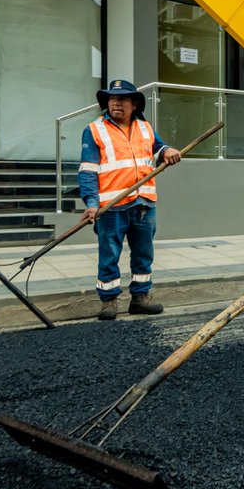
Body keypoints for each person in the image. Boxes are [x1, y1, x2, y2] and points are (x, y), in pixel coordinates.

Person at [79, 80, 181, 320]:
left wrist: (168, 151)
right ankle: (109, 300)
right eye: (112, 99)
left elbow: (159, 148)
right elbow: (87, 170)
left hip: (144, 203)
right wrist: (92, 203)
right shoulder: (94, 130)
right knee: (109, 254)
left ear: (134, 104)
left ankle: (141, 297)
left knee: (144, 254)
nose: (116, 103)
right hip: (111, 206)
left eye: (123, 99)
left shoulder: (145, 128)